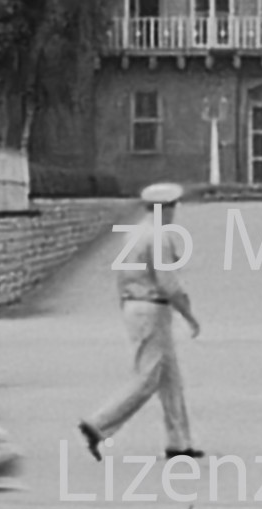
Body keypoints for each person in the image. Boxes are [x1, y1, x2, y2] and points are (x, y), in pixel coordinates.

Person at [79, 180, 200, 461]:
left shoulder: (134, 233)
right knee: (147, 378)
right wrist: (189, 315)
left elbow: (121, 273)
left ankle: (179, 442)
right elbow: (169, 283)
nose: (174, 212)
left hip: (134, 304)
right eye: (172, 207)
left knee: (170, 378)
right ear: (163, 208)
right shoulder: (159, 236)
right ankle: (98, 425)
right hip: (152, 308)